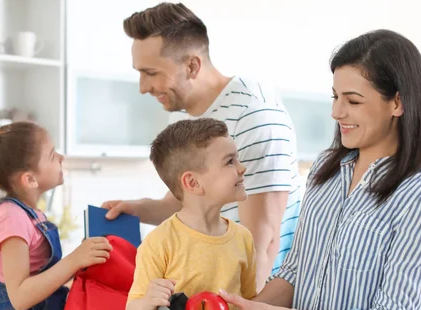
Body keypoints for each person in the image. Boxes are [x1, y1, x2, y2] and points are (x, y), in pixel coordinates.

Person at [210, 29, 421, 310]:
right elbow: (297, 269)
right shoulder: (326, 169)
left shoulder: (420, 195)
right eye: (335, 97)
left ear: (397, 103)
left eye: (353, 100)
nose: (337, 112)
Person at [102, 2, 301, 290]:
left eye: (151, 73)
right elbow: (186, 201)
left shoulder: (254, 114)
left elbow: (264, 239)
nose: (143, 87)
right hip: (212, 302)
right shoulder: (189, 117)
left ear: (192, 66)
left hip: (251, 306)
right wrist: (140, 209)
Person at [126, 118, 328, 310]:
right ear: (193, 182)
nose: (242, 168)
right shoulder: (160, 242)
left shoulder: (242, 238)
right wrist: (148, 301)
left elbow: (249, 305)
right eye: (230, 161)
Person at [0, 122, 112, 310]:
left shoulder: (27, 214)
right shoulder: (10, 218)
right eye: (53, 155)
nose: (61, 157)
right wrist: (74, 261)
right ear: (30, 179)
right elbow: (20, 297)